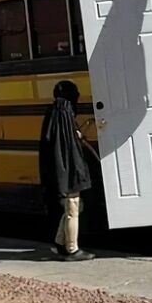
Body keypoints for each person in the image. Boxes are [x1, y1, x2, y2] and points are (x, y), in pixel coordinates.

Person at [39, 80, 95, 261]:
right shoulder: (65, 112)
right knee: (73, 208)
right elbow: (68, 147)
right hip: (69, 170)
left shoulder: (54, 112)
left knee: (69, 208)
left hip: (58, 169)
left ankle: (60, 241)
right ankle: (71, 248)